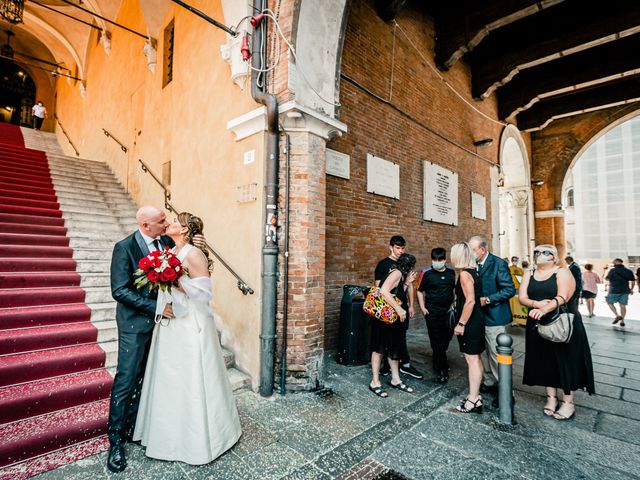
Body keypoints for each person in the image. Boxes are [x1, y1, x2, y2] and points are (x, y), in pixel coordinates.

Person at [133, 212, 241, 464]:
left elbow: (204, 293)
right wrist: (164, 276)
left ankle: (198, 438)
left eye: (173, 223)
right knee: (172, 377)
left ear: (183, 230)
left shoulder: (193, 253)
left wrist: (173, 279)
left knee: (190, 374)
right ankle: (169, 434)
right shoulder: (172, 251)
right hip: (173, 320)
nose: (168, 224)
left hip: (191, 322)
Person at [107, 206, 203, 473]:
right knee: (126, 378)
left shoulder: (167, 243)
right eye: (161, 221)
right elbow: (119, 290)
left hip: (164, 326)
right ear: (146, 225)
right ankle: (115, 440)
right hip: (135, 325)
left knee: (149, 376)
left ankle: (135, 425)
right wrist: (157, 308)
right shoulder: (124, 247)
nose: (166, 223)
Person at [519, 244, 595, 420]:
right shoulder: (529, 273)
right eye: (536, 252)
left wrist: (545, 308)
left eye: (544, 252)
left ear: (553, 256)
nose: (539, 255)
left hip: (562, 322)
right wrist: (536, 305)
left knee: (564, 359)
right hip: (538, 320)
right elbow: (522, 297)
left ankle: (568, 402)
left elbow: (564, 296)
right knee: (544, 359)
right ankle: (551, 397)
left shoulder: (562, 272)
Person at [468, 236, 516, 405]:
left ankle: (505, 391)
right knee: (484, 351)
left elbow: (509, 289)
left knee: (497, 355)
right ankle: (489, 382)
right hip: (479, 317)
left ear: (483, 249)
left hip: (496, 316)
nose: (471, 252)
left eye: (473, 249)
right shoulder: (472, 264)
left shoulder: (498, 263)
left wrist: (488, 299)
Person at [369, 253, 418, 397]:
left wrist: (407, 283)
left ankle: (395, 379)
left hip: (393, 320)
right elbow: (384, 291)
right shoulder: (396, 273)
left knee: (393, 349)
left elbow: (396, 293)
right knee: (379, 349)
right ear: (407, 266)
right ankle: (375, 382)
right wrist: (399, 309)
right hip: (384, 319)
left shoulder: (400, 275)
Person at [374, 236, 423, 380]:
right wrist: (396, 307)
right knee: (384, 341)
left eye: (402, 248)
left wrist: (410, 305)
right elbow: (380, 289)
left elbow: (407, 287)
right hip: (388, 309)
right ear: (391, 247)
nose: (400, 251)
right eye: (397, 248)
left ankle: (403, 364)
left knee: (400, 337)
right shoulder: (384, 265)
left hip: (401, 306)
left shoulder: (404, 264)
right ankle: (386, 367)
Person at [451, 242, 485, 413]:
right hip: (477, 319)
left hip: (470, 322)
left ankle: (472, 399)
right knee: (476, 359)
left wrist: (461, 324)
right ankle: (476, 395)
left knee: (471, 360)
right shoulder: (474, 271)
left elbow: (470, 300)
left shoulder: (464, 274)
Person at [416, 247, 456, 383]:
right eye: (434, 259)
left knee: (445, 340)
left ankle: (438, 359)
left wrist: (454, 303)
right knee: (436, 341)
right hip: (432, 312)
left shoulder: (451, 273)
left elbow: (454, 289)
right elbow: (419, 291)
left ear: (444, 259)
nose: (437, 262)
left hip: (448, 312)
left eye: (440, 259)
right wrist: (422, 307)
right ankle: (442, 369)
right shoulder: (425, 273)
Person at [605, 258, 635, 327]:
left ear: (615, 263)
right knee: (622, 306)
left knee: (609, 302)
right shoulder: (628, 271)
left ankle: (617, 315)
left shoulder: (612, 270)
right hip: (625, 290)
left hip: (614, 290)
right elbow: (633, 281)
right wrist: (631, 289)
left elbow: (607, 278)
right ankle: (622, 320)